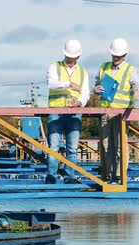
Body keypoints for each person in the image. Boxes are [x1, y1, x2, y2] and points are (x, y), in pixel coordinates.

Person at [94, 37, 139, 183]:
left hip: (121, 115)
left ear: (125, 55)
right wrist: (96, 89)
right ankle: (109, 176)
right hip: (105, 112)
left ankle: (119, 176)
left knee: (119, 146)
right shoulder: (104, 67)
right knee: (105, 146)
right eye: (114, 54)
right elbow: (96, 86)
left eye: (119, 55)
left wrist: (137, 93)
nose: (116, 57)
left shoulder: (130, 70)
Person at [45, 39, 90, 184]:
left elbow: (86, 93)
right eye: (69, 57)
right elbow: (51, 84)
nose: (71, 60)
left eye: (73, 58)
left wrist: (80, 102)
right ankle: (51, 175)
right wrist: (68, 84)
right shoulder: (54, 66)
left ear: (78, 57)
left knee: (72, 148)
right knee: (53, 146)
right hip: (56, 111)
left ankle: (69, 176)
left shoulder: (83, 72)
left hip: (75, 113)